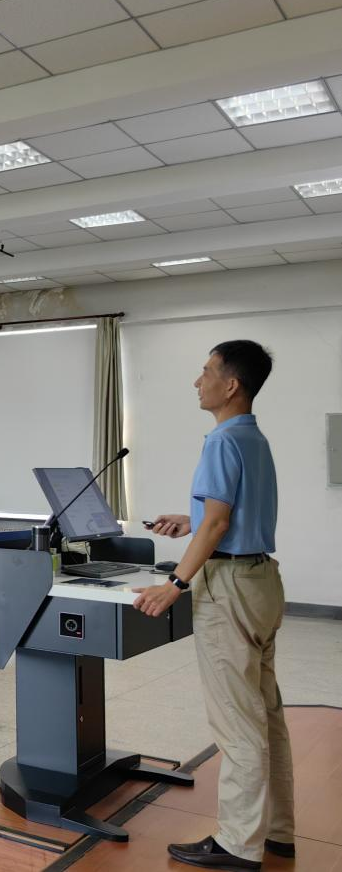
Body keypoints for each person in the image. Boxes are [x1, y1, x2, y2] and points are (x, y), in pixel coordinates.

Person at [133, 341, 293, 871]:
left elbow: (220, 523)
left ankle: (237, 845)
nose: (197, 382)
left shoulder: (222, 440)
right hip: (262, 580)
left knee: (237, 721)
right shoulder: (253, 438)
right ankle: (277, 832)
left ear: (231, 385)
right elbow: (226, 516)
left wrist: (175, 583)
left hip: (229, 587)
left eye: (206, 372)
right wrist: (192, 520)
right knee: (266, 714)